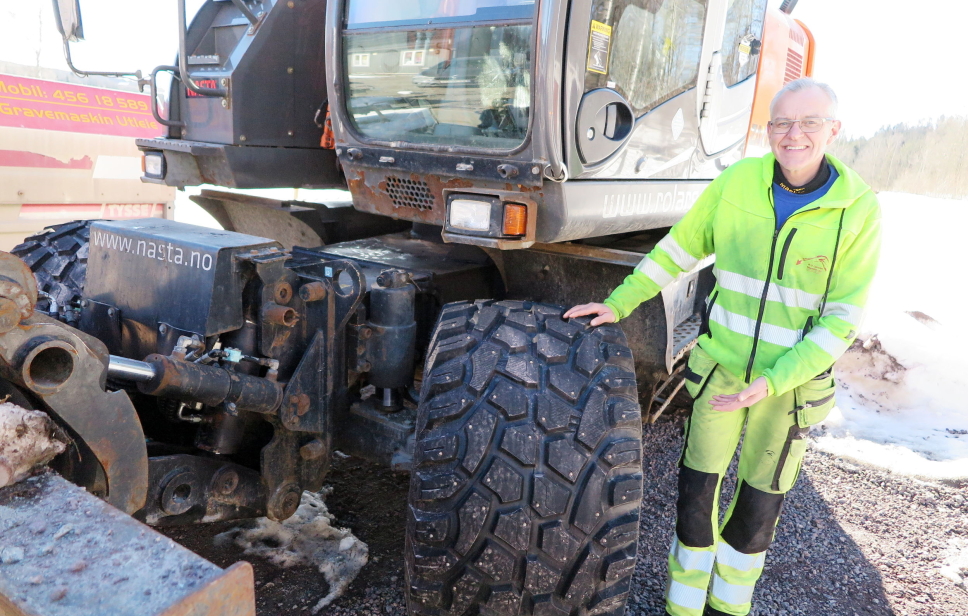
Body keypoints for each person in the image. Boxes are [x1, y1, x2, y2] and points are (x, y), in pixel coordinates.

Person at [564, 78, 881, 616]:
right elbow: (677, 251)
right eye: (782, 123)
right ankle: (682, 607)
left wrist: (775, 380)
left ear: (833, 130)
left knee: (757, 512)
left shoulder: (859, 209)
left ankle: (727, 608)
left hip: (789, 390)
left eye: (809, 122)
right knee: (695, 501)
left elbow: (842, 319)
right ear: (769, 129)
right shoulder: (736, 183)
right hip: (722, 374)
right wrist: (618, 303)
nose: (794, 134)